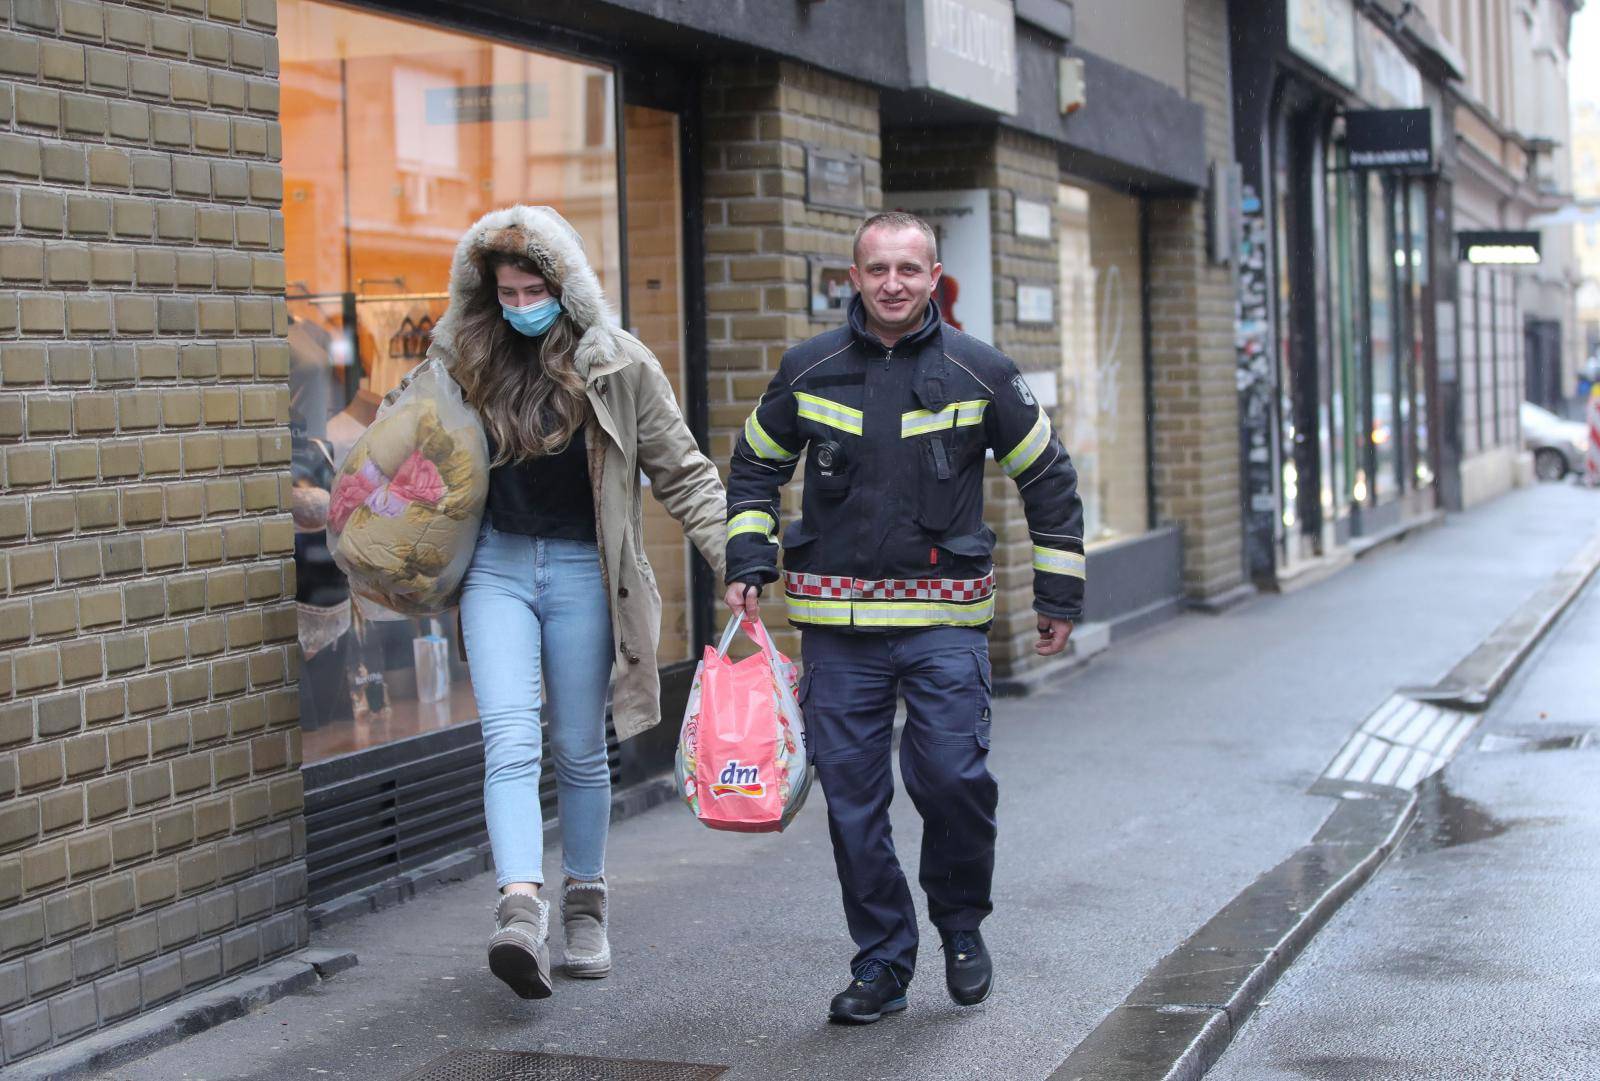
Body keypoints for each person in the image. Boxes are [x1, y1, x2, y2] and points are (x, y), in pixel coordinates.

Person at [723, 211, 1085, 1023]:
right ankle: (883, 961)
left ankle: (960, 924)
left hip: (944, 624)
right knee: (854, 803)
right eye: (877, 269)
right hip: (838, 632)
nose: (893, 283)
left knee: (953, 779)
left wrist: (1057, 596)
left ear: (934, 277)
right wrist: (748, 558)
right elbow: (752, 469)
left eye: (909, 270)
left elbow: (1050, 482)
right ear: (855, 277)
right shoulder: (808, 369)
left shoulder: (982, 371)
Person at [429, 205, 727, 1000]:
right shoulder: (464, 359)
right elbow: (416, 448)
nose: (522, 302)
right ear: (486, 294)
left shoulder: (616, 365)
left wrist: (741, 562)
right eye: (507, 290)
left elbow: (684, 471)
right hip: (496, 566)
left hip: (583, 573)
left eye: (535, 287)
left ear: (566, 286)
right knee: (508, 735)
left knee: (577, 748)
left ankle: (586, 902)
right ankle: (520, 905)